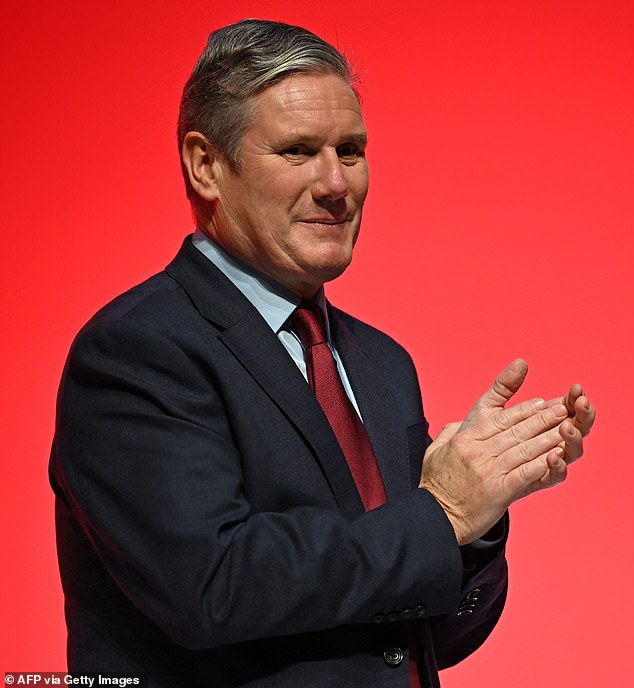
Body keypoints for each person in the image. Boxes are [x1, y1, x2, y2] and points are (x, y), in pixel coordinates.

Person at [49, 19, 595, 688]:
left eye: (352, 149)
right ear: (205, 165)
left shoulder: (383, 364)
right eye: (299, 150)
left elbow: (420, 641)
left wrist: (477, 520)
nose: (337, 183)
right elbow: (211, 586)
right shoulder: (137, 350)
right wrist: (441, 512)